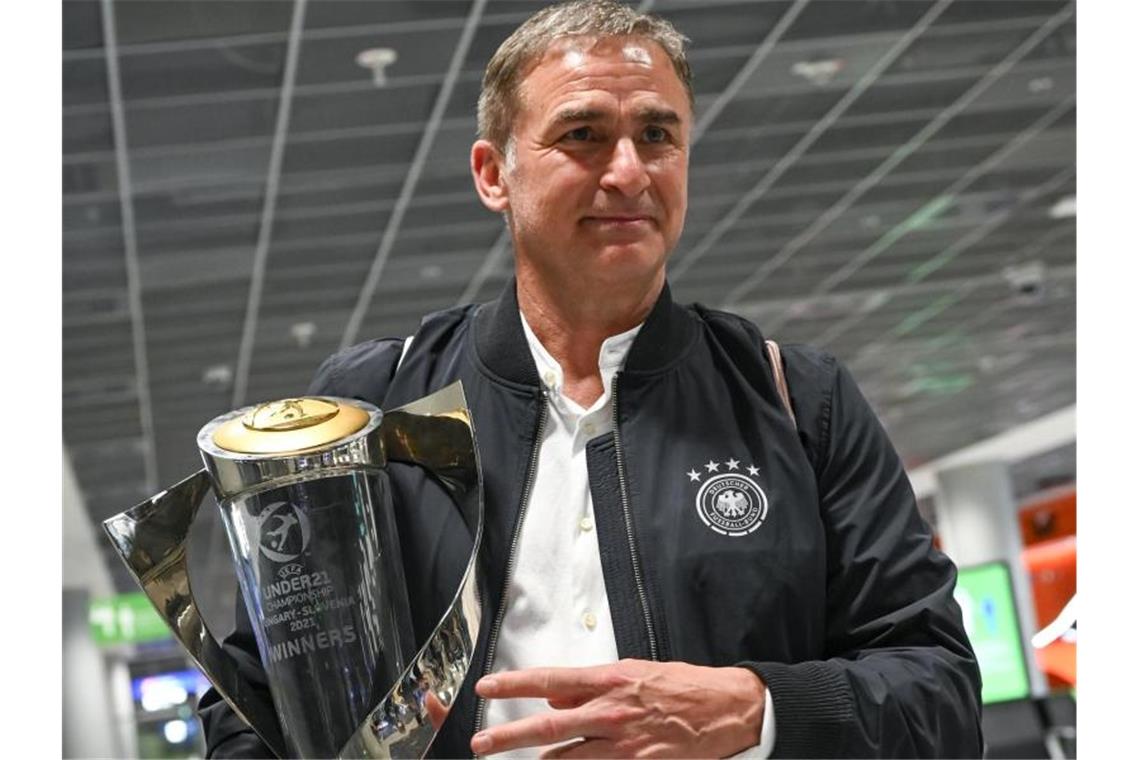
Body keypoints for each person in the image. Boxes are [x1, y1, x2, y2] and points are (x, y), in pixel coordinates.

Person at [200, 1, 983, 757]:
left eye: (657, 135)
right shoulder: (377, 403)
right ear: (493, 174)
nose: (629, 172)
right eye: (583, 135)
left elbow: (939, 695)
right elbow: (262, 697)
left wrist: (755, 710)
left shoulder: (799, 402)